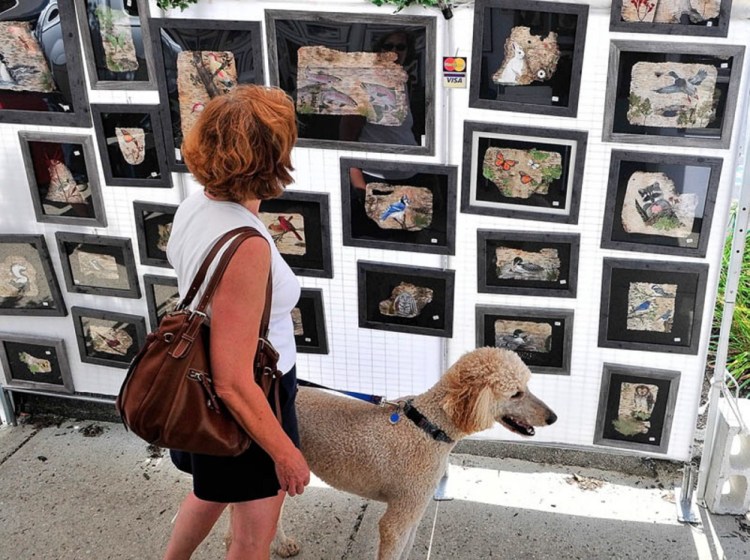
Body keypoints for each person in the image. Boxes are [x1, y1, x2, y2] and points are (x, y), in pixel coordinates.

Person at [162, 84, 310, 560]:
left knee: (211, 490)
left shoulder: (196, 204)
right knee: (251, 540)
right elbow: (233, 380)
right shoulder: (245, 244)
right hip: (252, 395)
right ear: (271, 158)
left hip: (199, 380)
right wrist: (286, 452)